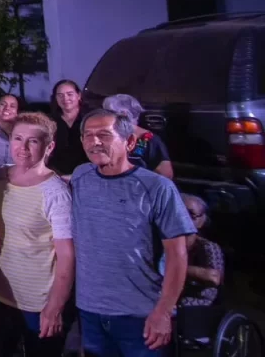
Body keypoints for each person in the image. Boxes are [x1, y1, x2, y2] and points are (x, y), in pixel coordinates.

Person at [72, 109, 194, 356]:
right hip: (90, 311)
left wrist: (163, 311)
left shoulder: (157, 187)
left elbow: (177, 255)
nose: (94, 142)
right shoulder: (80, 176)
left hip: (141, 315)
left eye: (104, 135)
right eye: (88, 135)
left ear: (129, 142)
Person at [0, 113, 75, 357]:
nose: (23, 147)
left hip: (37, 303)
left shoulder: (55, 193)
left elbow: (66, 256)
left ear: (49, 146)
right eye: (18, 138)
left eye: (33, 141)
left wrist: (55, 307)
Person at [102, 94, 174, 179]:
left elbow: (166, 175)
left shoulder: (151, 140)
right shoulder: (110, 136)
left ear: (124, 114)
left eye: (109, 113)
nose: (104, 116)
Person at [178, 194, 222, 307]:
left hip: (196, 300)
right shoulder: (164, 241)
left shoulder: (207, 247)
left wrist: (176, 268)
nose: (184, 218)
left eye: (191, 215)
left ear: (202, 221)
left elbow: (214, 277)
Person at [47, 79, 89, 176]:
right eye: (60, 95)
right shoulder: (49, 121)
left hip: (86, 173)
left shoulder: (91, 118)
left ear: (79, 95)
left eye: (70, 94)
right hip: (57, 174)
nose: (65, 98)